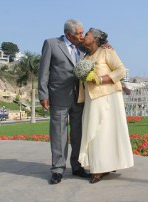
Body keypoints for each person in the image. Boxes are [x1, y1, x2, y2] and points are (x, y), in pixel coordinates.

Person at [77, 28, 134, 184]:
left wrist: (100, 79)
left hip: (108, 97)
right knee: (93, 132)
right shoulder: (86, 56)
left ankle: (99, 169)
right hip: (91, 99)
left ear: (95, 38)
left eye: (87, 34)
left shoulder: (106, 52)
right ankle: (100, 165)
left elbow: (121, 70)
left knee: (104, 133)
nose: (84, 36)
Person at [38, 19, 90, 184]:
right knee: (58, 135)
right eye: (79, 33)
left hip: (79, 97)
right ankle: (57, 170)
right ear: (68, 34)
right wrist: (43, 95)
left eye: (83, 33)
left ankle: (77, 166)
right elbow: (43, 71)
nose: (82, 36)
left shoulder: (83, 48)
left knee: (78, 134)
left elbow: (98, 46)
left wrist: (106, 44)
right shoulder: (52, 44)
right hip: (58, 97)